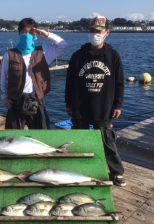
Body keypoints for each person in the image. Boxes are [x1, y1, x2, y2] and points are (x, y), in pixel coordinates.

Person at [65, 15, 126, 186]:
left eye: (99, 31)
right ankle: (78, 169)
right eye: (92, 31)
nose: (95, 34)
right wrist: (68, 104)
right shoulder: (78, 56)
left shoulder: (113, 56)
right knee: (79, 139)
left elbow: (120, 82)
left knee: (107, 139)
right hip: (80, 106)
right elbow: (69, 82)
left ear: (106, 33)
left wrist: (118, 104)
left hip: (103, 106)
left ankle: (116, 172)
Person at [0, 18, 67, 129]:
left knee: (42, 133)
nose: (26, 35)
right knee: (12, 137)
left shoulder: (43, 52)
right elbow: (3, 77)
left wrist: (46, 34)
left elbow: (63, 45)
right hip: (16, 100)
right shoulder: (9, 54)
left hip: (36, 98)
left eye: (30, 32)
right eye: (23, 32)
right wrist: (4, 97)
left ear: (35, 34)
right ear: (19, 33)